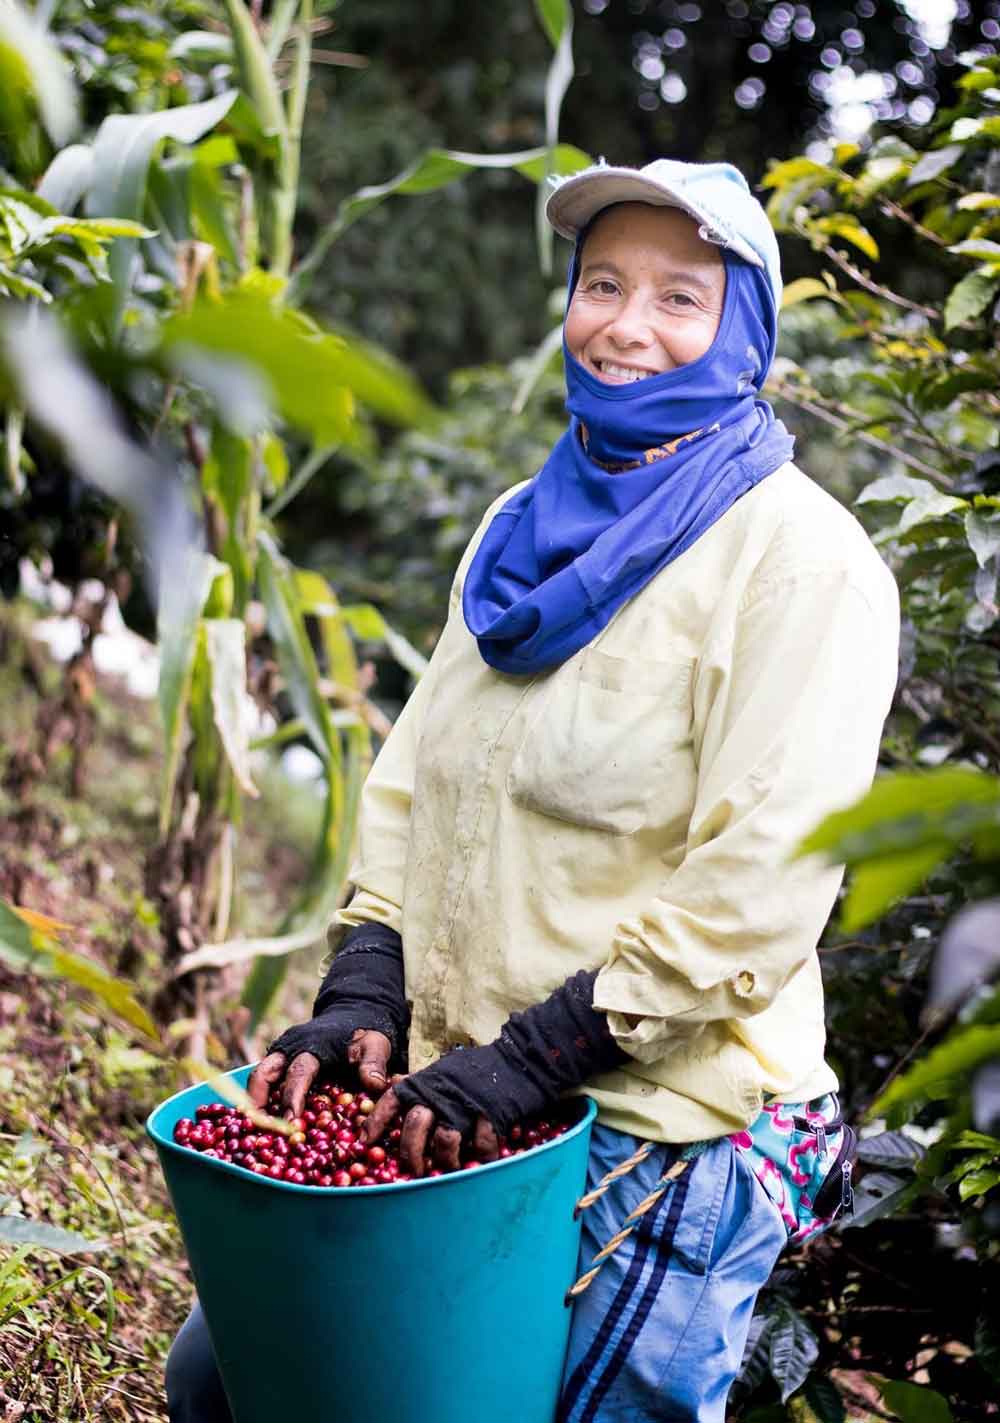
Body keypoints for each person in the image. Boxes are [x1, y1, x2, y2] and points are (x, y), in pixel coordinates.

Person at [165, 158, 900, 1423]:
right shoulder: (518, 523)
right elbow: (417, 782)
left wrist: (534, 1057)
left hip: (661, 1123)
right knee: (225, 1385)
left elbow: (760, 887)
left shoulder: (802, 562)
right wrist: (365, 982)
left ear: (747, 335)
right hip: (463, 1090)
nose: (625, 323)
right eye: (602, 283)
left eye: (681, 298)